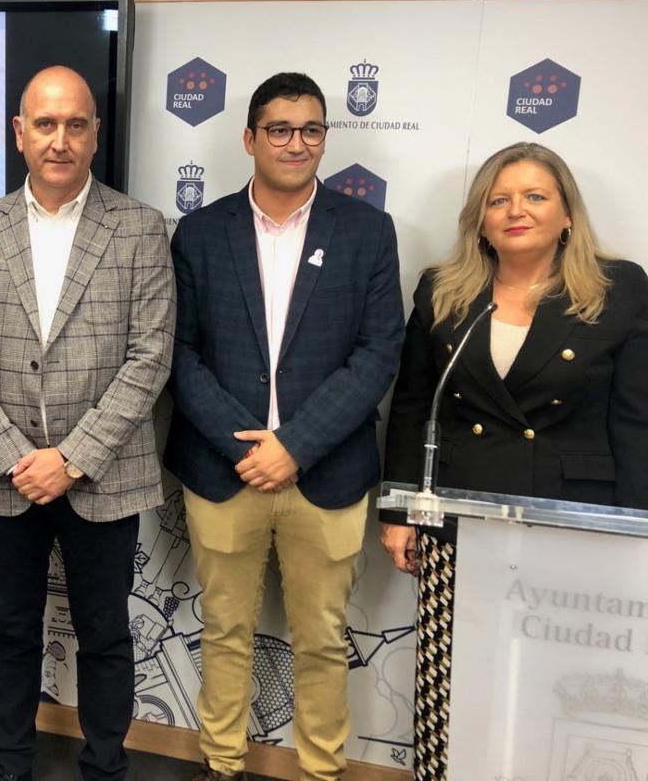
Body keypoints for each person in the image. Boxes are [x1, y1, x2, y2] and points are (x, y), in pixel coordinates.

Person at [380, 141, 648, 778]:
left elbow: (637, 419)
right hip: (460, 521)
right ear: (480, 218)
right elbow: (415, 406)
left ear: (567, 215)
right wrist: (398, 508)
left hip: (574, 528)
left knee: (556, 697)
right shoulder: (442, 292)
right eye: (498, 199)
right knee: (450, 688)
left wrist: (635, 535)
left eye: (535, 196)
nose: (515, 210)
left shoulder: (619, 289)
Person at [164, 71, 404, 781]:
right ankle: (220, 763)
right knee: (225, 630)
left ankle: (321, 769)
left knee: (322, 638)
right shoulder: (201, 232)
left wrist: (293, 446)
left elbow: (377, 351)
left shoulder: (365, 230)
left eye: (310, 129)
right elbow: (177, 351)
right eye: (279, 129)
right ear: (249, 138)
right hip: (223, 467)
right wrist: (249, 448)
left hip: (325, 471)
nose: (295, 143)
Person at [0, 65, 175, 781]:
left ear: (95, 132)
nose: (60, 139)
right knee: (10, 631)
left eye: (75, 123)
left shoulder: (139, 228)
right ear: (18, 133)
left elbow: (150, 355)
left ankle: (104, 767)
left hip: (103, 476)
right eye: (45, 124)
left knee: (103, 634)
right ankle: (8, 766)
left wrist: (69, 458)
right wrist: (18, 454)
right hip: (4, 475)